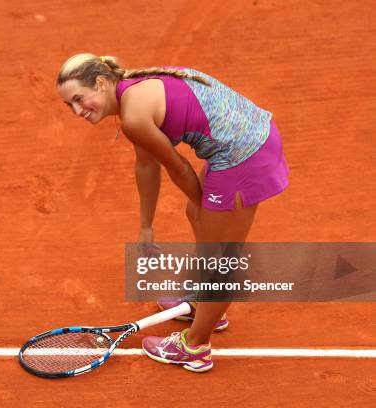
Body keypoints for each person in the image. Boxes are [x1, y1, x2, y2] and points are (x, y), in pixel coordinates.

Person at [56, 53, 289, 373]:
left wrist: (210, 212)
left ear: (99, 83)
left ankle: (195, 346)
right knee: (196, 216)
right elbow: (146, 164)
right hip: (246, 142)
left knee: (220, 255)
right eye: (70, 105)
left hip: (243, 155)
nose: (77, 111)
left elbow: (178, 168)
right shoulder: (132, 94)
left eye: (79, 99)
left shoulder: (134, 116)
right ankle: (204, 306)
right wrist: (146, 227)